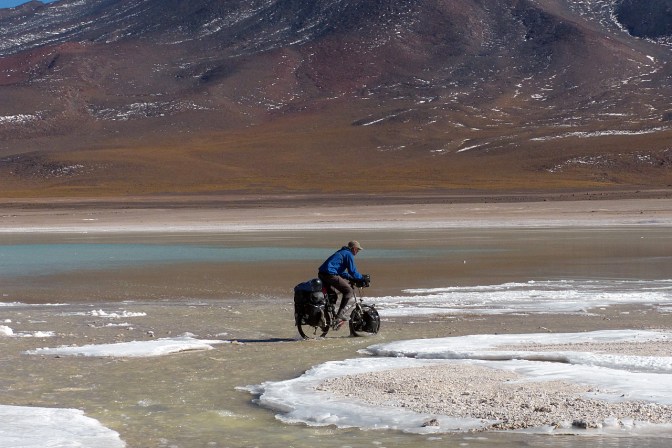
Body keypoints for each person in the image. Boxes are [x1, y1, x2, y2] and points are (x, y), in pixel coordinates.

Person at [318, 240, 367, 326]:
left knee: (332, 296)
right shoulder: (349, 254)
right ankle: (340, 314)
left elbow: (340, 271)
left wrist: (350, 278)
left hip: (322, 274)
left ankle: (328, 315)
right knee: (348, 291)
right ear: (354, 248)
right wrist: (362, 278)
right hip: (330, 274)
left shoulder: (341, 252)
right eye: (358, 250)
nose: (358, 252)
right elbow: (352, 271)